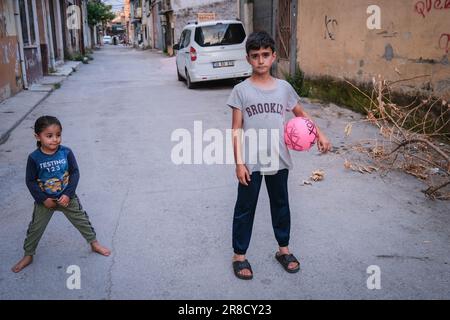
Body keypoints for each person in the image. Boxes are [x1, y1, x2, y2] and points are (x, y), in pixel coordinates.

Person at [227, 31, 332, 280]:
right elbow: (235, 130)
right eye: (255, 56)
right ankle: (239, 255)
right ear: (248, 59)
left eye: (265, 55)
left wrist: (320, 134)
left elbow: (300, 114)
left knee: (281, 205)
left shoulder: (284, 88)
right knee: (245, 207)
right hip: (251, 162)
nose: (260, 60)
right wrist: (239, 163)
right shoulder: (240, 91)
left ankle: (283, 250)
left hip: (278, 158)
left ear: (273, 56)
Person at [11, 116, 110, 273]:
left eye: (58, 135)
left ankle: (93, 243)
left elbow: (75, 172)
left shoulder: (66, 152)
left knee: (82, 220)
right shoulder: (34, 158)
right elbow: (30, 181)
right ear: (38, 136)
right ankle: (28, 254)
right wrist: (43, 199)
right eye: (49, 136)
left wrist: (69, 194)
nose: (55, 139)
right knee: (35, 228)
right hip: (45, 201)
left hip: (66, 198)